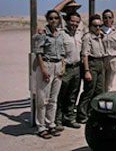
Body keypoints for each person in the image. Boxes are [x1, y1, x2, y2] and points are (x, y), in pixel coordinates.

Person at [34, 10, 65, 139]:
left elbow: (62, 52)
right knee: (43, 99)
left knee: (53, 99)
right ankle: (41, 126)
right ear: (47, 19)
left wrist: (63, 66)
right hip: (46, 65)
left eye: (56, 18)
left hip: (58, 66)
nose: (53, 20)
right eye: (51, 18)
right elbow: (39, 52)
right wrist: (43, 70)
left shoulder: (60, 34)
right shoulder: (43, 34)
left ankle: (50, 123)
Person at [55, 12, 83, 130]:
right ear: (67, 21)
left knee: (72, 94)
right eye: (72, 21)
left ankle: (69, 118)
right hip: (65, 68)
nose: (74, 24)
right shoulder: (61, 34)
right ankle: (58, 120)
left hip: (77, 68)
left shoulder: (79, 33)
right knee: (61, 94)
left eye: (77, 22)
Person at [76, 14, 106, 123]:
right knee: (89, 91)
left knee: (99, 91)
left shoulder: (100, 36)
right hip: (91, 64)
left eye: (99, 25)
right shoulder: (87, 37)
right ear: (90, 26)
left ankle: (92, 113)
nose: (98, 28)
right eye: (95, 26)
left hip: (100, 63)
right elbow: (85, 54)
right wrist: (87, 71)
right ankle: (81, 115)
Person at [101, 9, 116, 92]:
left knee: (109, 83)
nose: (107, 20)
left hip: (112, 59)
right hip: (102, 59)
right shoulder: (99, 30)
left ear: (113, 19)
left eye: (109, 17)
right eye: (105, 17)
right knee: (101, 83)